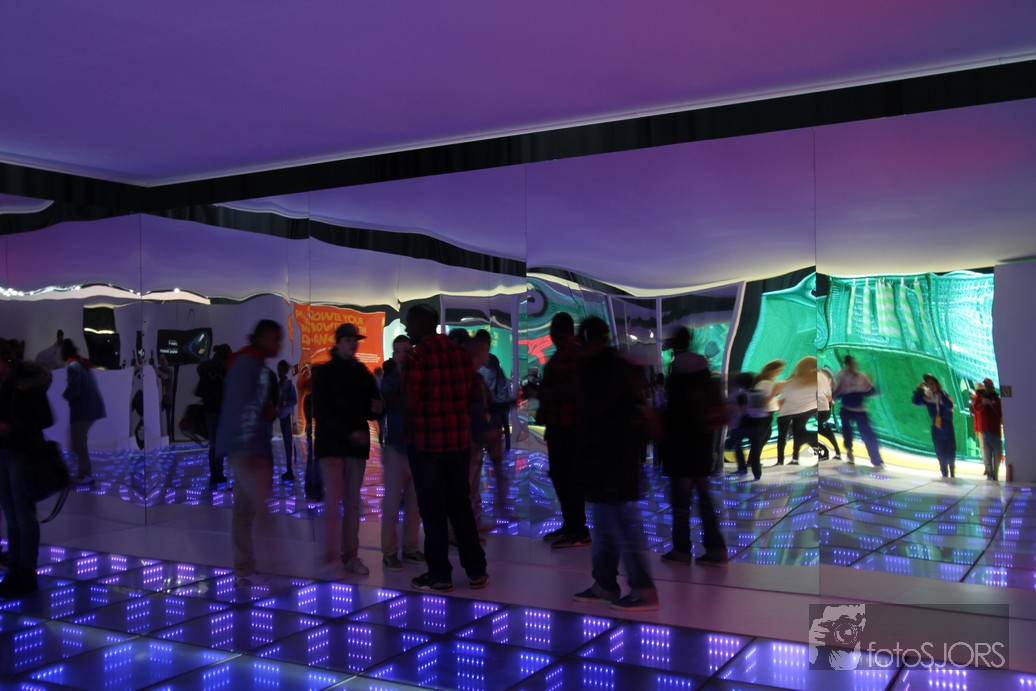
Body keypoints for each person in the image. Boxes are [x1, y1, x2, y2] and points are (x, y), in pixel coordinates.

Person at [572, 317, 657, 611]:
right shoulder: (616, 366)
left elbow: (598, 415)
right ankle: (606, 584)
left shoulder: (600, 370)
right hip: (616, 458)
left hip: (610, 460)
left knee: (619, 525)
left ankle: (643, 590)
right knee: (608, 525)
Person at [403, 304, 488, 593]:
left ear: (421, 325)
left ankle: (440, 574)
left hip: (427, 444)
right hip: (458, 443)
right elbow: (475, 394)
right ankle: (476, 571)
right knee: (461, 507)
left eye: (409, 323)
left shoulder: (416, 356)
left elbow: (411, 401)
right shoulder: (459, 354)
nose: (406, 329)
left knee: (433, 510)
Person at [214, 320, 283, 587]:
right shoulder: (249, 365)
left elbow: (248, 406)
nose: (279, 345)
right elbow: (244, 409)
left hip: (243, 447)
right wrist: (251, 448)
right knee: (260, 510)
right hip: (246, 449)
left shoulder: (247, 363)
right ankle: (260, 565)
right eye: (276, 339)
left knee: (246, 510)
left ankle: (245, 570)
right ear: (263, 338)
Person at [312, 323, 383, 577]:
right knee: (335, 503)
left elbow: (372, 406)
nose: (353, 343)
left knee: (351, 504)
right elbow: (322, 411)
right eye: (348, 339)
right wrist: (350, 431)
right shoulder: (325, 373)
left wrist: (377, 409)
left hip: (354, 448)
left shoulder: (361, 373)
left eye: (355, 339)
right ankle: (332, 555)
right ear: (338, 342)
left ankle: (349, 555)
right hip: (333, 447)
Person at [658, 327, 728, 567]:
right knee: (704, 501)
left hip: (681, 449)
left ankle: (681, 549)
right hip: (701, 448)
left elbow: (675, 416)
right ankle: (716, 549)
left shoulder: (679, 375)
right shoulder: (704, 376)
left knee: (681, 504)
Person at [0, 338, 54, 597]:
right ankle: (15, 570)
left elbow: (45, 418)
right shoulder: (9, 382)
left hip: (21, 453)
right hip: (5, 451)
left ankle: (25, 573)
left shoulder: (25, 381)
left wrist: (12, 426)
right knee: (13, 515)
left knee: (22, 515)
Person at [537, 312, 591, 548]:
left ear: (558, 331)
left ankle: (576, 529)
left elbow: (570, 389)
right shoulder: (575, 353)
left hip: (565, 427)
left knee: (565, 477)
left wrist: (543, 393)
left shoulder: (568, 355)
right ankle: (572, 526)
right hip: (570, 426)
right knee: (568, 477)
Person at [379, 336, 423, 571]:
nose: (402, 355)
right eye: (399, 351)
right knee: (393, 503)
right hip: (399, 447)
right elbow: (396, 408)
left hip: (411, 447)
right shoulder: (391, 382)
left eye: (406, 350)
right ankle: (390, 551)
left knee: (414, 503)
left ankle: (409, 547)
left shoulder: (407, 379)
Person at [61, 339, 107, 485]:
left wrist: (65, 395)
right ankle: (81, 471)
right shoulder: (81, 363)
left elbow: (75, 390)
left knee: (79, 443)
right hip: (90, 409)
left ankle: (85, 474)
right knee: (77, 441)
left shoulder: (73, 366)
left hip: (83, 410)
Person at [833, 355, 884, 467]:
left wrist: (873, 387)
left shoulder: (861, 376)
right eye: (852, 362)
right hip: (847, 409)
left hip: (859, 410)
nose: (854, 364)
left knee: (868, 434)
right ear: (848, 363)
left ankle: (876, 460)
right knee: (848, 432)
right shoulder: (842, 375)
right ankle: (850, 451)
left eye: (854, 363)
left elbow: (869, 391)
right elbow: (836, 392)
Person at [197, 344, 231, 486]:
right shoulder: (225, 369)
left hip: (208, 411)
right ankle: (219, 474)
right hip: (221, 412)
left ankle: (214, 474)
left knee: (213, 445)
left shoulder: (205, 369)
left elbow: (200, 389)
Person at [744, 360, 785, 480]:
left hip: (765, 414)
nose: (779, 373)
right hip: (764, 415)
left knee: (765, 437)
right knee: (760, 439)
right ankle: (754, 464)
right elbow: (762, 401)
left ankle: (752, 461)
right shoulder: (765, 383)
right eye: (778, 370)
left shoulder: (763, 382)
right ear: (772, 370)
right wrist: (774, 392)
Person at [776, 356, 819, 466]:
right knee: (798, 434)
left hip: (785, 414)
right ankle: (795, 458)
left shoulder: (789, 383)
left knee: (782, 437)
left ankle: (780, 461)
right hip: (804, 412)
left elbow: (781, 401)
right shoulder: (816, 382)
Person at [912, 374, 955, 478]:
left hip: (947, 426)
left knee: (950, 451)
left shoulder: (945, 395)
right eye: (929, 384)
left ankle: (952, 470)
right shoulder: (928, 396)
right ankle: (944, 472)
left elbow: (950, 405)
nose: (932, 386)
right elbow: (916, 402)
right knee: (940, 451)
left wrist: (941, 393)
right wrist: (919, 389)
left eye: (933, 383)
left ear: (937, 384)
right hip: (936, 427)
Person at [971, 378, 1003, 481]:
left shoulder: (997, 400)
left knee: (997, 455)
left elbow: (1000, 413)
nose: (987, 388)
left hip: (995, 430)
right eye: (986, 386)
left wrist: (991, 404)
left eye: (989, 386)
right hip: (984, 430)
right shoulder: (979, 398)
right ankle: (990, 475)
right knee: (986, 455)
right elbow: (976, 409)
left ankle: (995, 474)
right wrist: (983, 404)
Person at [725, 372, 756, 476]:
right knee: (739, 445)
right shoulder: (750, 393)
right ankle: (747, 469)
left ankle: (742, 468)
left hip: (740, 423)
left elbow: (739, 409)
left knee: (736, 445)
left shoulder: (739, 393)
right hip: (749, 423)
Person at [276, 360, 298, 483]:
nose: (279, 371)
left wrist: (283, 403)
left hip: (287, 415)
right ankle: (289, 469)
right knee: (286, 443)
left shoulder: (289, 385)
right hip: (282, 415)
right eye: (279, 369)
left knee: (289, 443)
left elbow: (294, 400)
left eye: (281, 369)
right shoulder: (278, 384)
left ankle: (290, 470)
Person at [816, 367, 842, 461]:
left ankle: (826, 451)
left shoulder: (819, 379)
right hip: (824, 409)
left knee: (808, 431)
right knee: (823, 430)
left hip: (820, 409)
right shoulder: (825, 380)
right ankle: (835, 451)